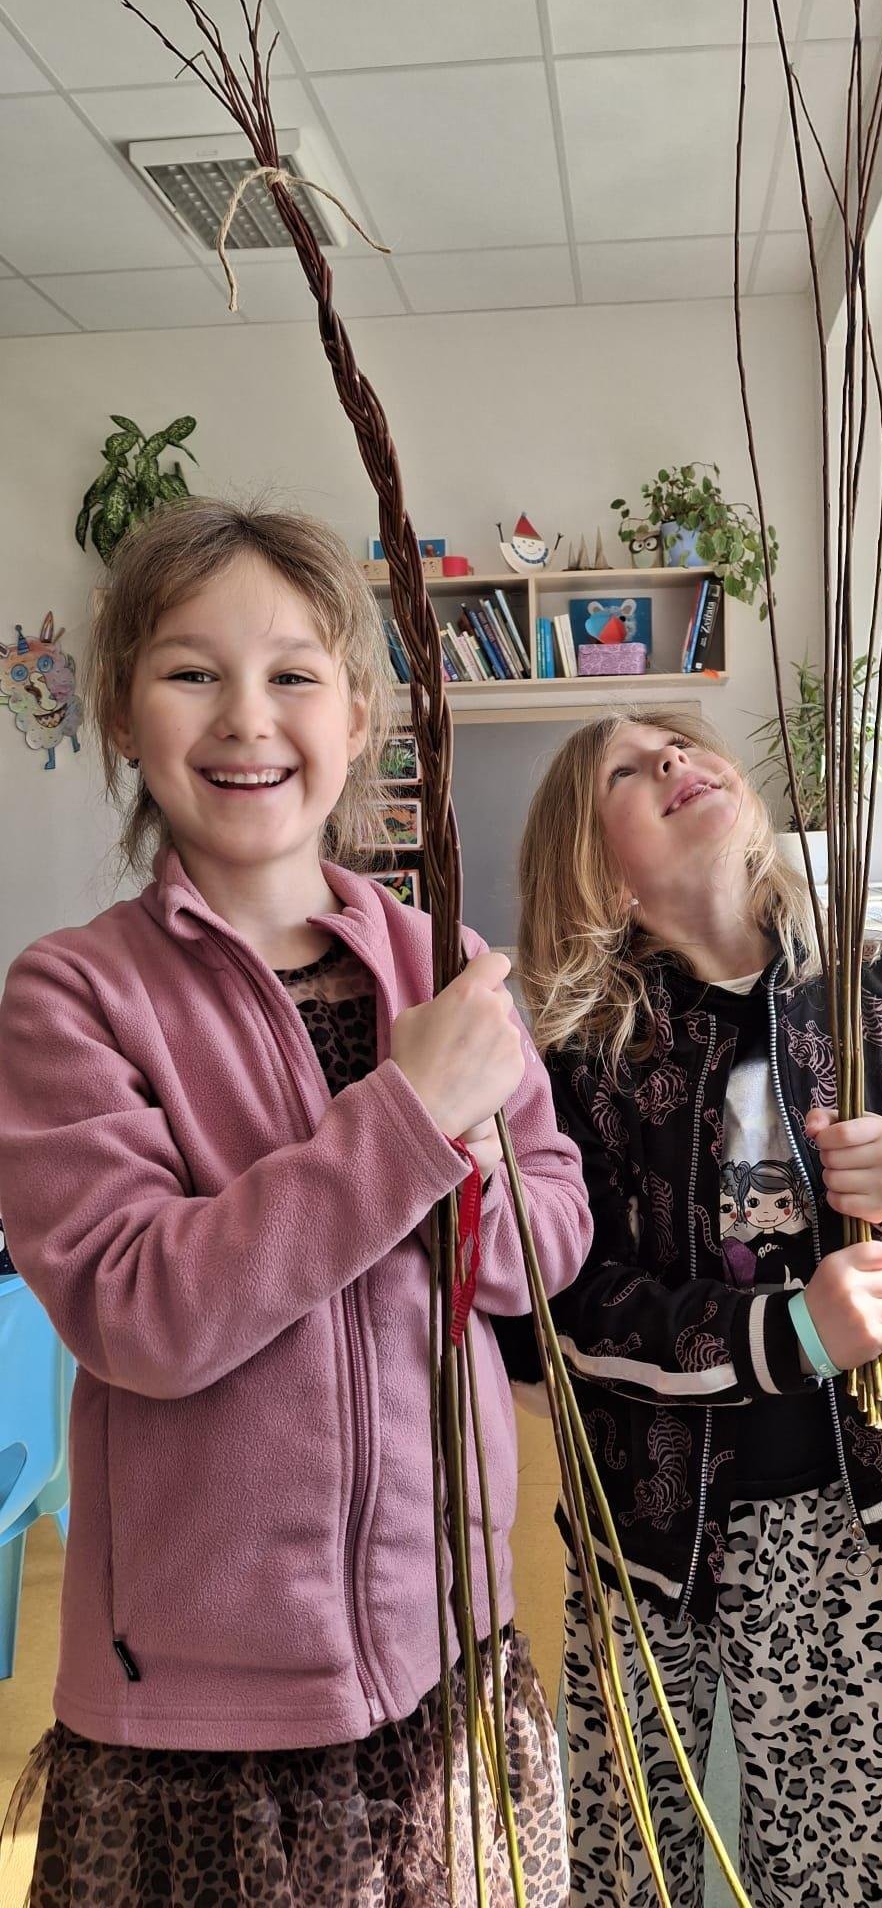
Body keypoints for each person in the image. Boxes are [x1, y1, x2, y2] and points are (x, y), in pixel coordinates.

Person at [0, 499, 591, 1907]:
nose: (246, 718)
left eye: (292, 674)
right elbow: (139, 1311)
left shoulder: (442, 967)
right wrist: (405, 1122)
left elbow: (548, 1240)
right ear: (122, 714)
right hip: (202, 1708)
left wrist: (469, 1159)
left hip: (445, 1642)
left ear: (360, 712)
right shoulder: (74, 995)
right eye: (190, 672)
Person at [512, 710, 882, 1908]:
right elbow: (564, 1305)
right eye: (626, 771)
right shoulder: (583, 1051)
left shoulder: (875, 984)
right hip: (637, 1513)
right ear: (598, 873)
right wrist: (786, 1335)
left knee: (832, 1837)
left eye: (679, 743)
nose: (671, 761)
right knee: (627, 1837)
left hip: (819, 1497)